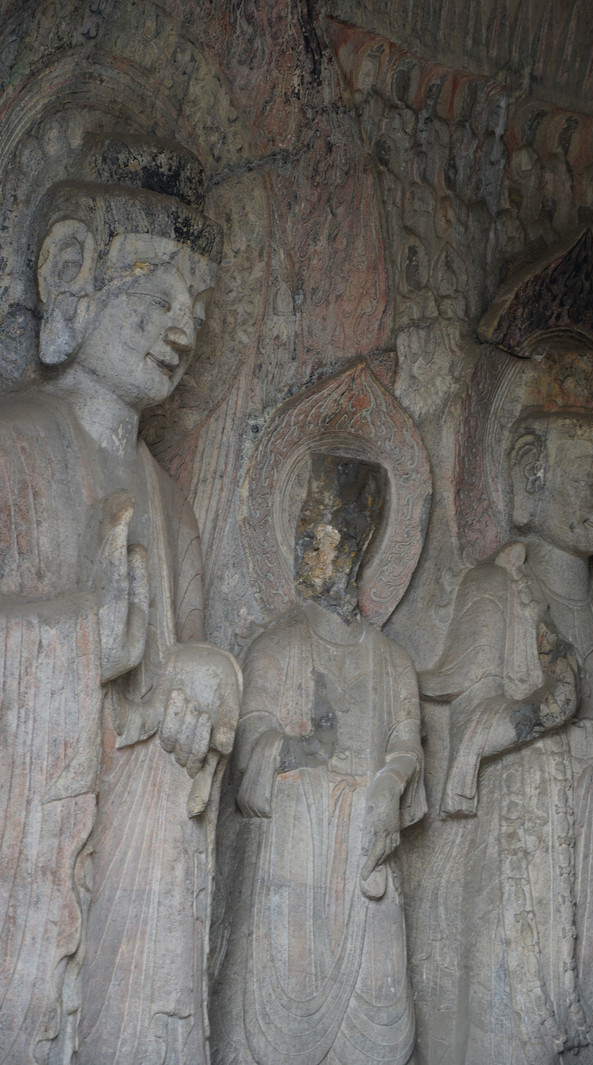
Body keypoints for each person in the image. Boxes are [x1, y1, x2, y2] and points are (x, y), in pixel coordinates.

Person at [0, 139, 241, 1065]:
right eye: (160, 296)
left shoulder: (170, 505)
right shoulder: (15, 445)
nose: (183, 328)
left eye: (199, 309)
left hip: (138, 873)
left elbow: (184, 669)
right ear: (76, 277)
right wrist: (80, 641)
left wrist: (202, 689)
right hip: (38, 855)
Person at [210, 453, 426, 1065]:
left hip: (366, 861)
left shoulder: (392, 661)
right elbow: (250, 746)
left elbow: (406, 744)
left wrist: (387, 785)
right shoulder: (275, 647)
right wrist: (304, 750)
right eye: (306, 532)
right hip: (293, 865)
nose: (313, 549)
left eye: (329, 535)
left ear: (360, 545)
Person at [419, 402, 593, 1064]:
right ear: (532, 478)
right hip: (525, 836)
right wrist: (547, 707)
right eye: (590, 475)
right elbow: (471, 728)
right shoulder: (497, 587)